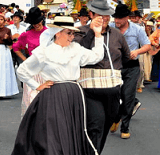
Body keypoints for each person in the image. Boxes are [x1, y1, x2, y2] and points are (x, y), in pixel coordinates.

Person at [11, 14, 104, 155]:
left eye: (73, 33)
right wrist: (37, 85)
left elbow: (97, 56)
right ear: (57, 33)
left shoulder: (76, 49)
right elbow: (22, 71)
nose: (72, 37)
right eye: (69, 33)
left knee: (72, 132)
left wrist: (98, 35)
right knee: (54, 134)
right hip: (53, 96)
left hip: (74, 96)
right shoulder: (44, 52)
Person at [74, 0, 131, 154]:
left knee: (105, 126)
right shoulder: (80, 32)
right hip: (89, 89)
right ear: (91, 14)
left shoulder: (117, 35)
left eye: (107, 15)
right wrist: (92, 32)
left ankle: (95, 151)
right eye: (100, 14)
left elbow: (125, 57)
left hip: (112, 89)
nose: (104, 18)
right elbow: (77, 55)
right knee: (95, 125)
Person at [109, 4, 151, 139]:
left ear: (127, 18)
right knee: (114, 95)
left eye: (120, 18)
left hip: (131, 67)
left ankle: (125, 127)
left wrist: (137, 51)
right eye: (115, 18)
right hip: (114, 66)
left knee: (127, 97)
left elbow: (147, 45)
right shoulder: (110, 27)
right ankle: (116, 117)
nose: (117, 21)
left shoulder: (137, 29)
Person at [12, 7, 47, 116]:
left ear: (41, 20)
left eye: (37, 22)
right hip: (32, 70)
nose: (36, 25)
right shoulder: (27, 34)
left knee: (46, 101)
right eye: (33, 23)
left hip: (46, 70)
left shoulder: (49, 33)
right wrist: (25, 60)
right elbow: (16, 47)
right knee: (30, 100)